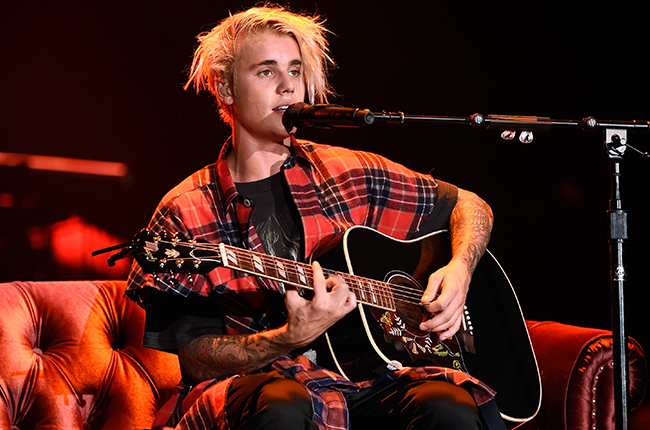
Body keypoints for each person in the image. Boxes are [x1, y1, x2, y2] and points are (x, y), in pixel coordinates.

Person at [127, 5, 503, 430]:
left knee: (447, 404)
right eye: (266, 72)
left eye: (295, 70)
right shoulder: (187, 208)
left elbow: (470, 204)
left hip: (367, 379)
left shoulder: (349, 171)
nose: (288, 87)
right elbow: (195, 360)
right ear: (225, 87)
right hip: (258, 387)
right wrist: (290, 337)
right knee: (282, 402)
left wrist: (459, 269)